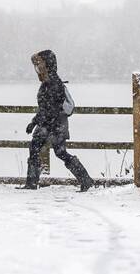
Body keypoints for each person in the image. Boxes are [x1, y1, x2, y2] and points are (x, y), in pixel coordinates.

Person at [24, 49, 94, 191]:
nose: (37, 69)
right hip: (54, 124)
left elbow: (49, 109)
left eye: (40, 64)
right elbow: (45, 107)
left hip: (54, 125)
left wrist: (36, 122)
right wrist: (35, 122)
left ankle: (86, 180)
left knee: (57, 151)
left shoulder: (53, 84)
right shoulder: (49, 82)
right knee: (41, 148)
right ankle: (32, 182)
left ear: (47, 65)